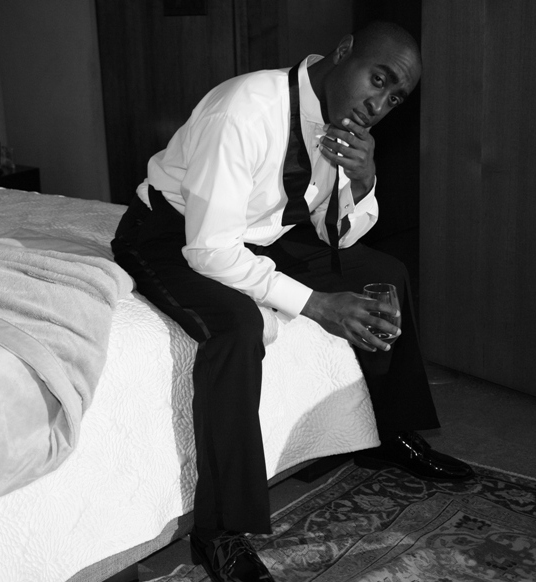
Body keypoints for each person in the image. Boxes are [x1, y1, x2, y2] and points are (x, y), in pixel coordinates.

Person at [111, 21, 473, 582]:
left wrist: (363, 180)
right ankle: (218, 531)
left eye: (395, 97)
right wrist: (317, 304)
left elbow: (335, 235)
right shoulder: (244, 109)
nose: (379, 105)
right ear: (344, 52)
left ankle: (390, 432)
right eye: (378, 80)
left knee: (386, 272)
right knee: (236, 326)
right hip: (173, 235)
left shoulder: (339, 124)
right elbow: (209, 250)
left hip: (260, 234)